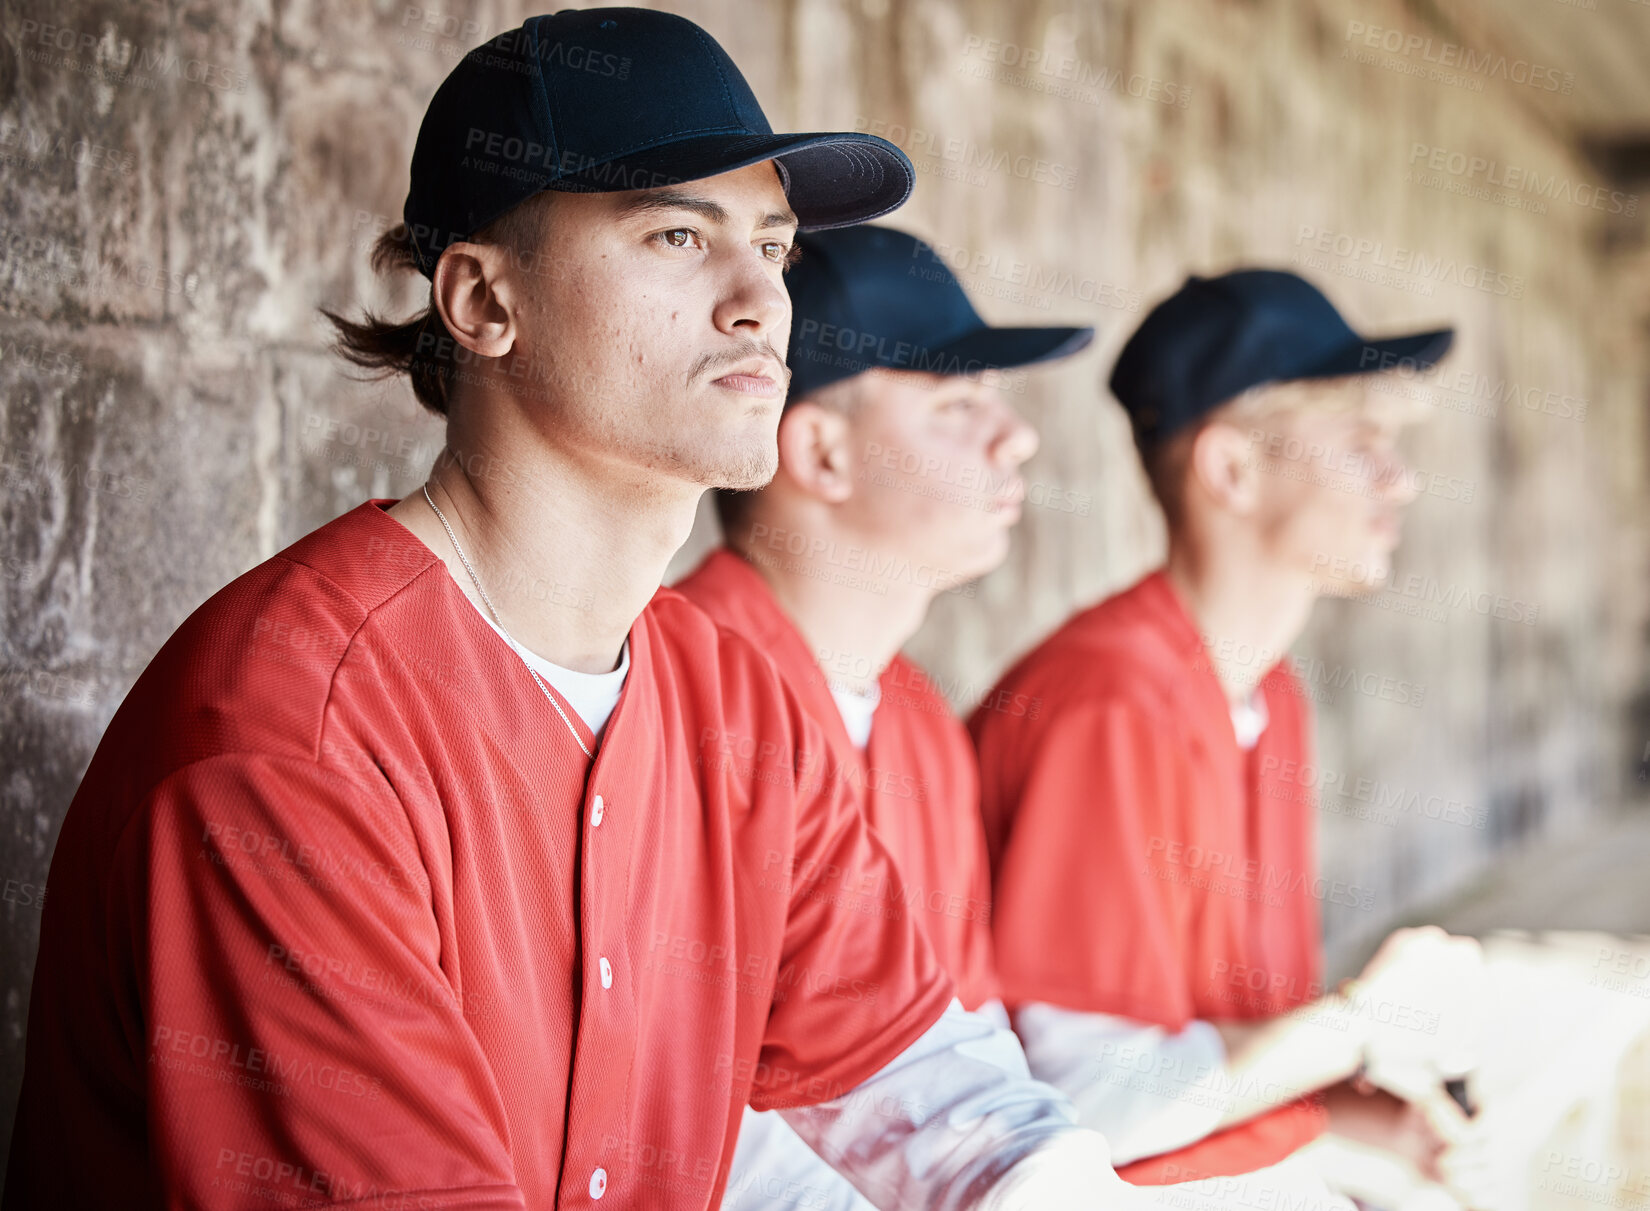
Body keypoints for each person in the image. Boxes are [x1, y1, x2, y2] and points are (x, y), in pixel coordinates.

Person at [3, 11, 1140, 1209]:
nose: (761, 299)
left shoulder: (734, 695)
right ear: (487, 302)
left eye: (777, 245)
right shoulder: (298, 733)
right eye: (677, 234)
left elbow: (943, 1103)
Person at [969, 270, 1485, 1204]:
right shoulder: (1107, 698)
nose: (1398, 476)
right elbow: (1088, 1100)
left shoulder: (1269, 693)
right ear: (1232, 469)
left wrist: (1349, 1110)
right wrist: (1363, 1020)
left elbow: (1218, 1038)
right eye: (1361, 439)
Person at [675, 223, 1093, 1209]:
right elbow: (680, 1118)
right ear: (818, 448)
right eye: (957, 402)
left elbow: (972, 1045)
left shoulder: (921, 721)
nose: (1016, 434)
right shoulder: (679, 691)